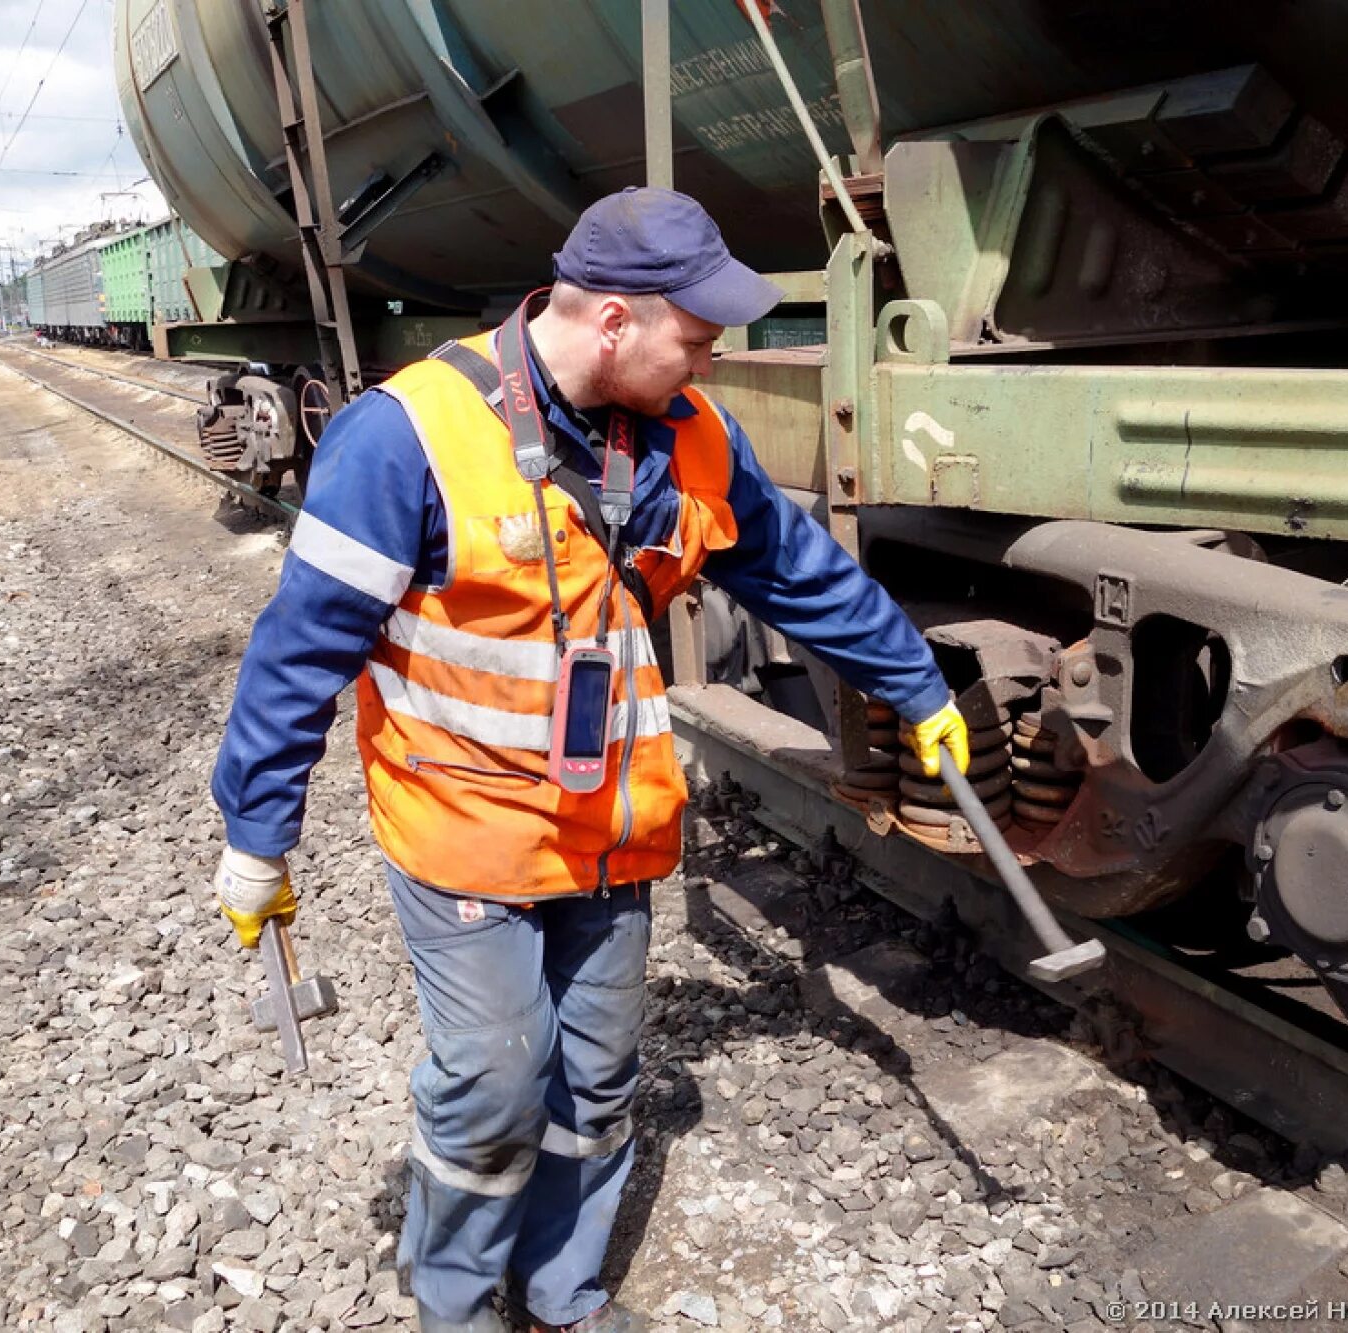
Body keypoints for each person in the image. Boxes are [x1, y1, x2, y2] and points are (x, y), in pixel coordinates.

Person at [209, 188, 971, 1333]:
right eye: (696, 339)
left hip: (612, 828)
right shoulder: (407, 436)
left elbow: (797, 573)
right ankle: (456, 1304)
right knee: (493, 1081)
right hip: (463, 832)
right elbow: (298, 650)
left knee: (597, 1079)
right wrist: (256, 835)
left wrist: (915, 685)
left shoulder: (690, 439)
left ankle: (561, 1291)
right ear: (614, 321)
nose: (710, 363)